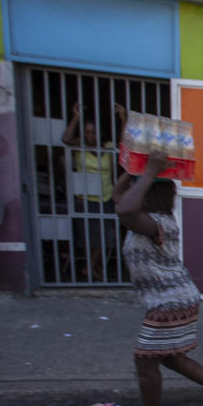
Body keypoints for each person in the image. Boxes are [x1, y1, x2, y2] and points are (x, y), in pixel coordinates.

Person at [113, 152, 203, 406]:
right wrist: (135, 168)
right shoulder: (143, 220)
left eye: (140, 188)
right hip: (171, 299)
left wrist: (146, 174)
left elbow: (125, 210)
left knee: (145, 359)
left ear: (149, 194)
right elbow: (118, 197)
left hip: (171, 301)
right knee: (173, 359)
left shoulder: (160, 223)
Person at [61, 101, 127, 281]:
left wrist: (123, 119)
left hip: (105, 196)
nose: (90, 135)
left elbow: (124, 146)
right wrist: (76, 117)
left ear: (100, 133)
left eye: (93, 132)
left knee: (107, 236)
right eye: (88, 132)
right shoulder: (79, 147)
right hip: (84, 197)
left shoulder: (107, 147)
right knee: (90, 238)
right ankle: (93, 268)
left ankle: (89, 267)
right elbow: (65, 139)